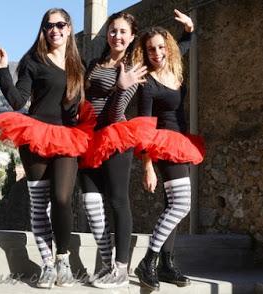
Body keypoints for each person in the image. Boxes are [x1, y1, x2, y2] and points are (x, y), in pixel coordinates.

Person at [0, 8, 90, 289]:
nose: (54, 30)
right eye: (49, 26)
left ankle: (63, 259)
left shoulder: (77, 66)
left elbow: (76, 109)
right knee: (39, 204)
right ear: (43, 30)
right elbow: (17, 101)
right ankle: (47, 265)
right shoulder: (34, 60)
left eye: (60, 25)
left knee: (61, 198)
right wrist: (1, 69)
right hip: (35, 136)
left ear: (69, 29)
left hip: (66, 138)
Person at [132, 12, 205, 291]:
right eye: (151, 49)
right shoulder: (147, 84)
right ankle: (148, 260)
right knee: (182, 205)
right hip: (162, 145)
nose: (157, 53)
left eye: (161, 47)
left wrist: (189, 29)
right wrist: (147, 166)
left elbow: (184, 44)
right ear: (145, 51)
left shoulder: (174, 65)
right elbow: (144, 127)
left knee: (171, 206)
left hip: (182, 142)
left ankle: (167, 264)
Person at [79, 11, 149, 289]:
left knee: (118, 201)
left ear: (131, 37)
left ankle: (121, 268)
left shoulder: (132, 67)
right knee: (91, 203)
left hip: (115, 136)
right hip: (88, 137)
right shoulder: (94, 64)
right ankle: (109, 264)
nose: (116, 36)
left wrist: (120, 87)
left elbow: (116, 112)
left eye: (122, 32)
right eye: (112, 30)